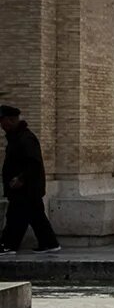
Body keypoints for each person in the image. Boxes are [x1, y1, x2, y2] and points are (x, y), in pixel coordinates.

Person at [0, 105, 61, 254]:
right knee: (36, 216)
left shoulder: (25, 138)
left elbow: (33, 163)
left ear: (11, 120)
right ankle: (49, 243)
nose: (1, 125)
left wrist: (21, 179)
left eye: (3, 121)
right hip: (26, 188)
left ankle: (8, 245)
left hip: (26, 188)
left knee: (16, 217)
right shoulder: (17, 137)